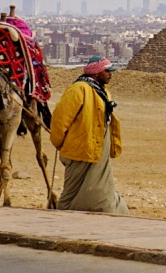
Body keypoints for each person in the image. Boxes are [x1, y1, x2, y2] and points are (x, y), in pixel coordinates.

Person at [49, 56, 127, 214]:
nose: (111, 74)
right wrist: (59, 143)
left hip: (98, 147)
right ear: (96, 73)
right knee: (72, 190)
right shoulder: (78, 89)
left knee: (102, 185)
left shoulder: (102, 91)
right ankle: (61, 218)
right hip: (80, 148)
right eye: (107, 71)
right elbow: (60, 118)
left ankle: (108, 209)